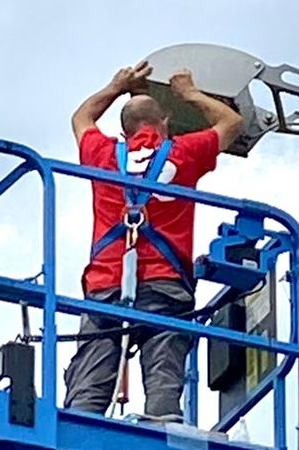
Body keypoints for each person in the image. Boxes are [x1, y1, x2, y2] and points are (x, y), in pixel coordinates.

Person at [63, 59, 243, 421]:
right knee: (163, 359)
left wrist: (116, 86)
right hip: (164, 282)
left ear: (124, 130)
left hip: (107, 283)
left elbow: (81, 118)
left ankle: (80, 422)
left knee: (91, 376)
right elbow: (232, 124)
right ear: (164, 124)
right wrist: (190, 93)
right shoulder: (183, 152)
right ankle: (164, 421)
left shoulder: (101, 154)